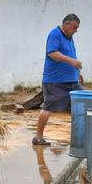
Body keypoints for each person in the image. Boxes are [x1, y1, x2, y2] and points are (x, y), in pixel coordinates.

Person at [33, 13, 83, 146]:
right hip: (54, 81)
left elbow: (71, 54)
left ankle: (81, 136)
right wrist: (72, 61)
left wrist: (77, 72)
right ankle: (38, 137)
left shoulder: (69, 37)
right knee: (48, 107)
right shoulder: (55, 34)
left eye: (77, 28)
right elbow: (52, 53)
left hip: (71, 81)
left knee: (84, 101)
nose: (76, 31)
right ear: (67, 24)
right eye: (74, 27)